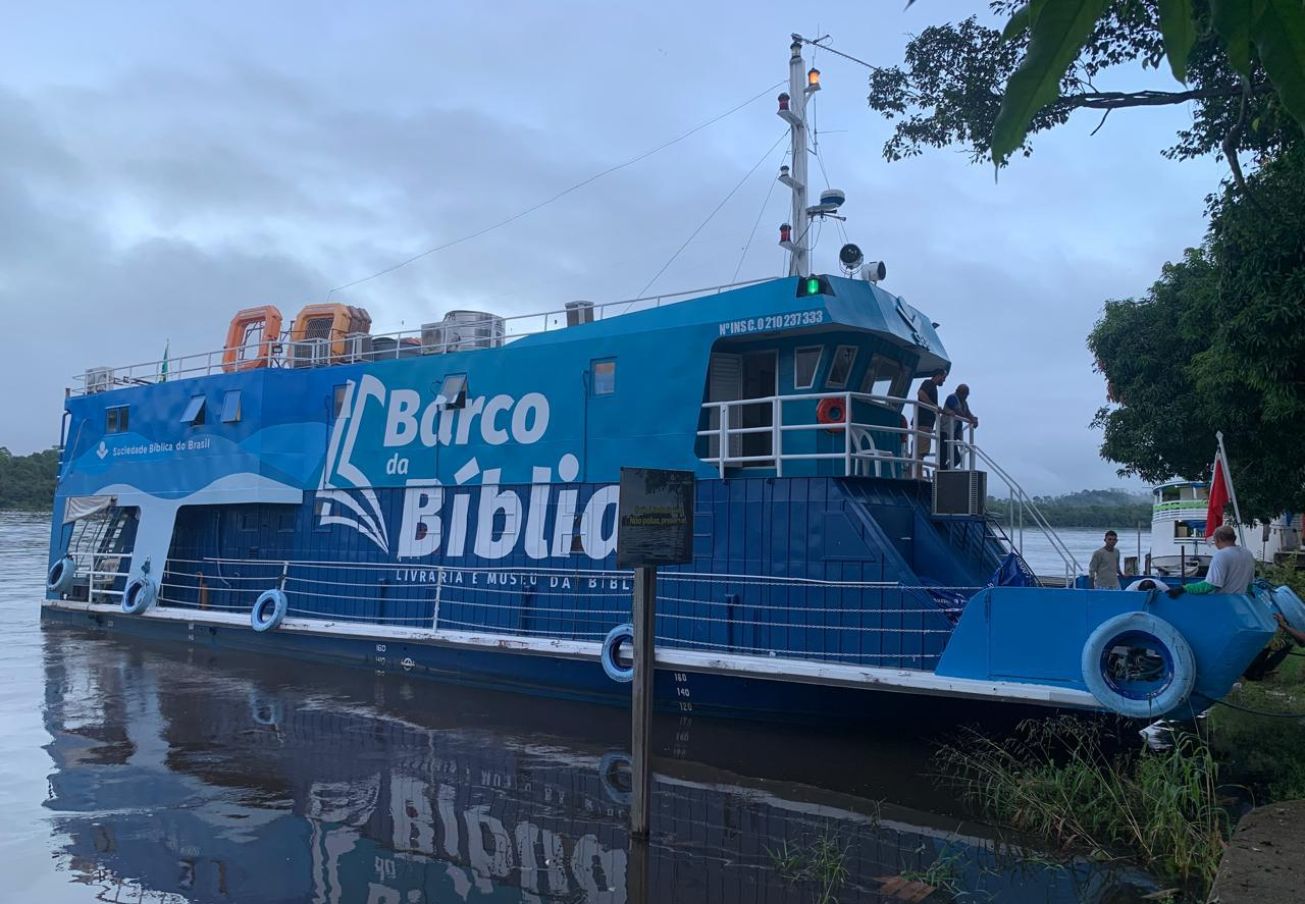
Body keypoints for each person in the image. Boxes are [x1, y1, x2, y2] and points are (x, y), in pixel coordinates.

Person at [1166, 525, 1257, 597]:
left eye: (1214, 541)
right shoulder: (1248, 554)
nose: (1215, 544)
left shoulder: (1221, 555)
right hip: (1241, 603)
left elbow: (1210, 586)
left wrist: (1184, 588)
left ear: (1219, 539)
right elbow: (1249, 585)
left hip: (1225, 604)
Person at [913, 369, 946, 477]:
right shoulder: (929, 383)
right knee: (921, 451)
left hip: (923, 422)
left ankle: (912, 473)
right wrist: (933, 406)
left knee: (917, 450)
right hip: (923, 422)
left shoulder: (933, 387)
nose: (944, 380)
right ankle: (917, 476)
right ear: (938, 376)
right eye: (943, 377)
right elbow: (921, 393)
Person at [940, 384, 978, 469]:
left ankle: (944, 471)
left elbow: (967, 412)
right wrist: (970, 419)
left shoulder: (964, 402)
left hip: (953, 434)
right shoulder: (952, 398)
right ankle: (941, 472)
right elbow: (958, 411)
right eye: (963, 394)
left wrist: (973, 419)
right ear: (958, 392)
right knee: (943, 457)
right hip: (945, 431)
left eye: (966, 394)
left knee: (956, 458)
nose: (965, 396)